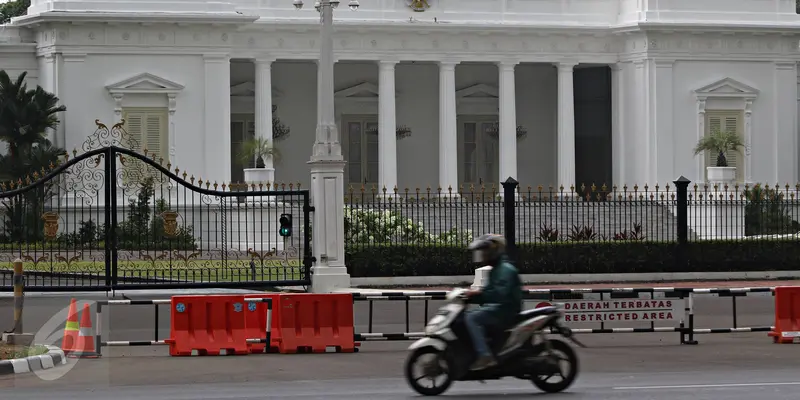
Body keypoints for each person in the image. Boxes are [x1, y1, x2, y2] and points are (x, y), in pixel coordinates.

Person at [463, 233, 523, 371]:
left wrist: (477, 294)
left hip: (505, 311)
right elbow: (489, 294)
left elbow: (498, 294)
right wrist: (471, 296)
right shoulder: (496, 269)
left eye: (486, 251)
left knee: (471, 318)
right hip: (498, 308)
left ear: (494, 251)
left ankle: (485, 356)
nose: (483, 255)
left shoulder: (505, 270)